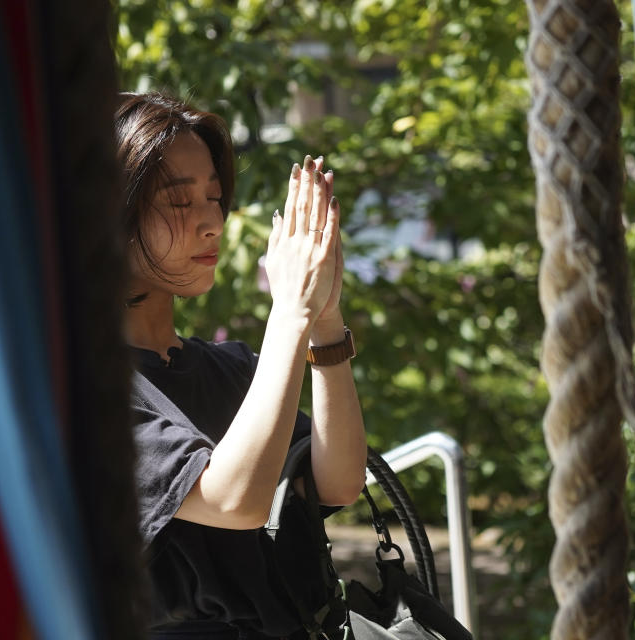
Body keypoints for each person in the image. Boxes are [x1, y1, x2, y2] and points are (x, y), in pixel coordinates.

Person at [115, 92, 368, 639]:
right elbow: (234, 501)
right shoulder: (85, 389)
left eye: (214, 197)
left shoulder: (230, 367)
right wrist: (290, 314)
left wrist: (324, 321)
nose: (211, 222)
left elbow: (339, 483)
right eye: (179, 203)